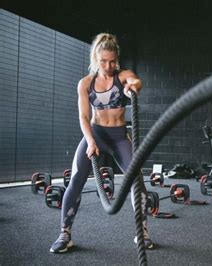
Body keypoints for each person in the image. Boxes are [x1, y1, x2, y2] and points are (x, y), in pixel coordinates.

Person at [50, 33, 154, 253]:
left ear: (117, 59)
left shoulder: (122, 75)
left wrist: (131, 86)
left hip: (118, 137)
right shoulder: (86, 83)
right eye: (104, 61)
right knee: (76, 178)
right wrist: (90, 141)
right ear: (96, 59)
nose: (109, 65)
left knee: (137, 181)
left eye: (113, 60)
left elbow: (136, 81)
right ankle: (64, 234)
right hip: (95, 134)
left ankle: (142, 233)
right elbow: (83, 118)